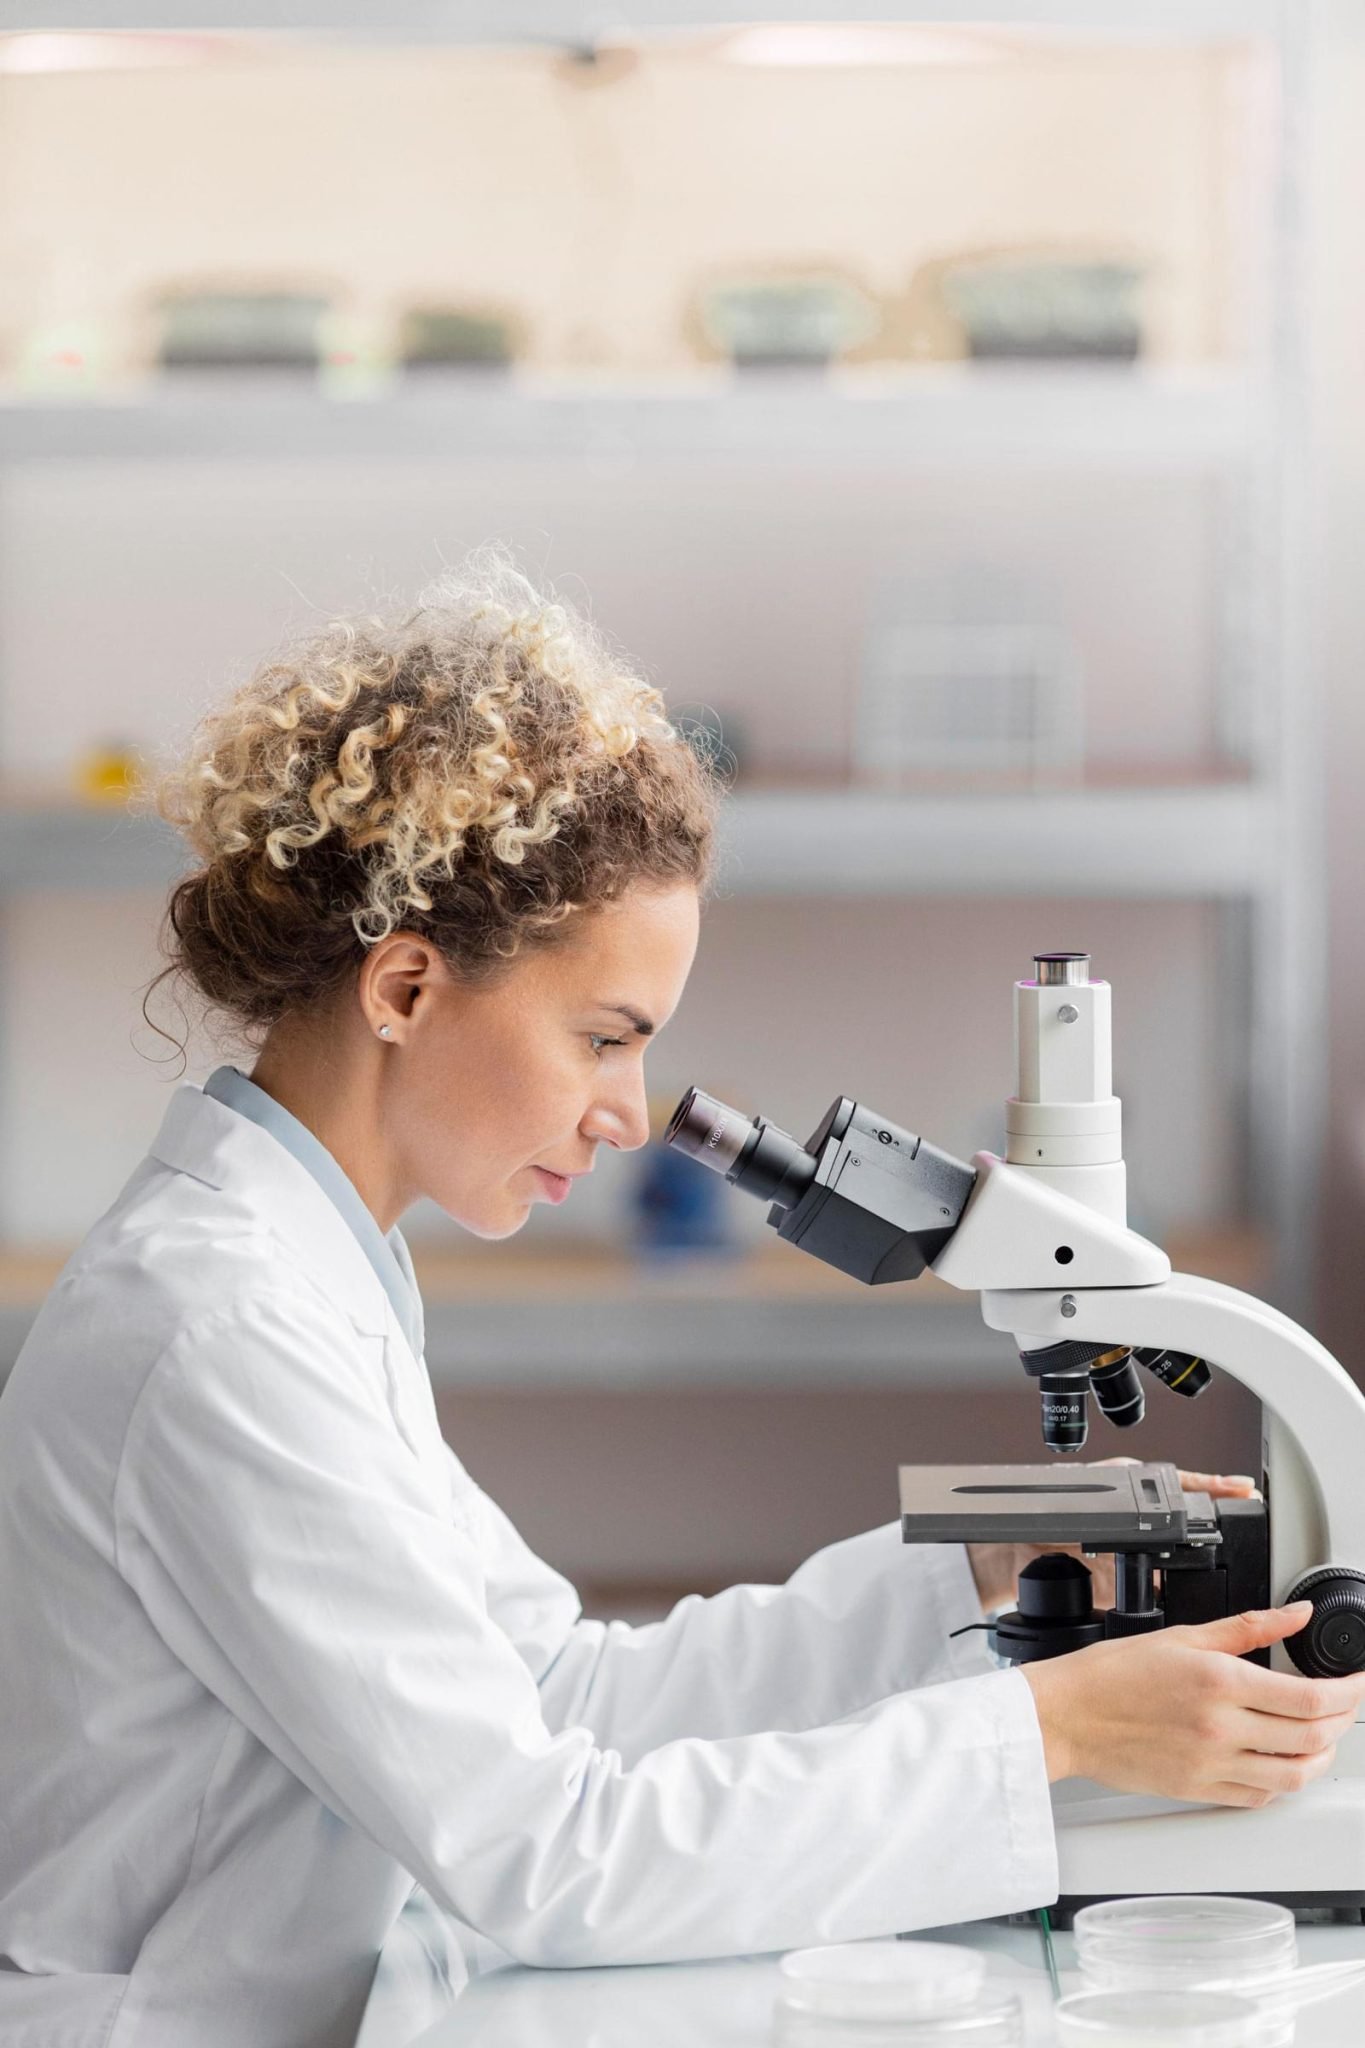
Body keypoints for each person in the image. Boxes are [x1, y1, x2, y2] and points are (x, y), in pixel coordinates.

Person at [0, 554, 1359, 2048]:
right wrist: (1046, 1733)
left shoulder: (306, 1271)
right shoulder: (222, 1327)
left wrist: (971, 1575)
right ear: (403, 989)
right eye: (602, 1037)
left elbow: (558, 1688)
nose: (627, 1114)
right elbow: (544, 1851)